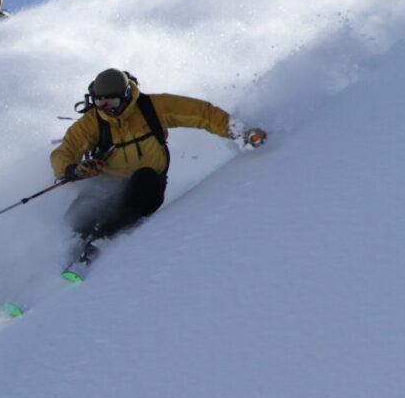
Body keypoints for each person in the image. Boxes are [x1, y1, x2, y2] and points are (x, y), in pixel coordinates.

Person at [51, 68, 265, 262]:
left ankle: (99, 244)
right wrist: (73, 169)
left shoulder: (153, 107)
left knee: (142, 180)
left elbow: (202, 114)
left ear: (126, 96)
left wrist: (240, 133)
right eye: (100, 104)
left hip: (147, 187)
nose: (107, 110)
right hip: (109, 183)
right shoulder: (92, 122)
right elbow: (64, 151)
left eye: (112, 103)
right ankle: (55, 258)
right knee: (79, 215)